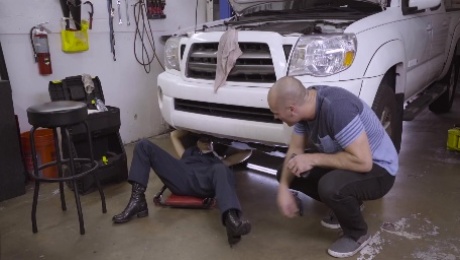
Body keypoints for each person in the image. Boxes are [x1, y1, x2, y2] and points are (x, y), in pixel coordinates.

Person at [267, 76, 398, 258]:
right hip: (353, 162)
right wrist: (283, 187)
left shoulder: (337, 108)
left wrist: (312, 159)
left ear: (291, 109)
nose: (275, 117)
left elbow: (364, 162)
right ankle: (349, 205)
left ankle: (357, 234)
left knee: (330, 186)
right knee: (287, 171)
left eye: (276, 112)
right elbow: (296, 149)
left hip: (380, 169)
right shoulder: (305, 106)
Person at [112, 129, 252, 246]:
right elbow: (174, 135)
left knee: (222, 169)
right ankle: (138, 201)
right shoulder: (187, 153)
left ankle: (231, 220)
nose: (207, 143)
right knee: (143, 145)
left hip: (205, 182)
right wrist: (192, 128)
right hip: (182, 177)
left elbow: (247, 153)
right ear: (196, 140)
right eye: (203, 140)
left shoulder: (218, 159)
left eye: (210, 141)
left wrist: (224, 136)